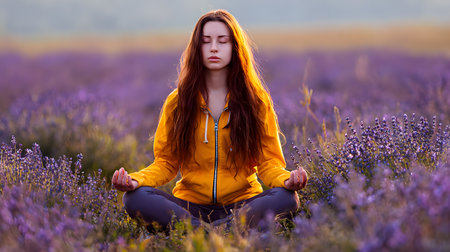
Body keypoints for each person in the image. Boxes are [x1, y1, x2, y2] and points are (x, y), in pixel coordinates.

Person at [112, 9, 307, 232]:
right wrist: (136, 180)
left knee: (287, 198)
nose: (214, 47)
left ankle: (199, 235)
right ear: (197, 48)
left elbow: (268, 163)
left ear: (235, 47)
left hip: (243, 204)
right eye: (206, 41)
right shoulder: (177, 101)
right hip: (189, 205)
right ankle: (224, 234)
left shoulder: (257, 101)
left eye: (222, 41)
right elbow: (166, 163)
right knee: (134, 198)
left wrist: (286, 180)